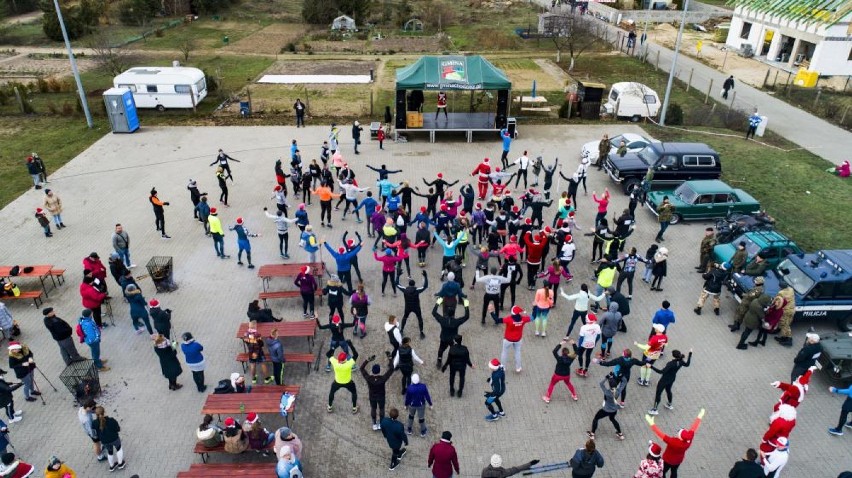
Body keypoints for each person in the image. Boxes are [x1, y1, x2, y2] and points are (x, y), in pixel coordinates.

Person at [646, 408, 705, 478]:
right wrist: (700, 417)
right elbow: (694, 428)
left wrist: (652, 424)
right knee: (674, 471)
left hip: (667, 460)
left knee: (663, 471)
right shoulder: (689, 439)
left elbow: (660, 434)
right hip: (678, 460)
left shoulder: (672, 442)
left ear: (680, 437)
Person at [648, 349, 692, 415]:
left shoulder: (671, 364)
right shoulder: (681, 361)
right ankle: (669, 404)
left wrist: (651, 367)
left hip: (664, 380)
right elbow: (687, 364)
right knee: (668, 391)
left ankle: (655, 409)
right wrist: (690, 353)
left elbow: (661, 371)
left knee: (658, 394)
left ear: (673, 356)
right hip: (672, 379)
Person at [360, 354, 395, 431]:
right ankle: (381, 423)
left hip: (372, 396)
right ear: (379, 371)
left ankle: (374, 424)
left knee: (373, 408)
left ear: (372, 371)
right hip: (381, 396)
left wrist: (368, 360)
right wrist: (390, 359)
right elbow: (392, 369)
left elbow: (361, 368)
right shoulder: (382, 378)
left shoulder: (369, 378)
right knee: (381, 409)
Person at [433, 299, 470, 369]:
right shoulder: (456, 322)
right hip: (453, 339)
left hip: (444, 338)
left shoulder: (442, 320)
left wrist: (437, 303)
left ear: (446, 313)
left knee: (441, 349)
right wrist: (466, 306)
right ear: (453, 314)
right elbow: (466, 316)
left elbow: (434, 313)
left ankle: (439, 360)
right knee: (454, 349)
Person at [587, 376, 626, 440]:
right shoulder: (618, 391)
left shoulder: (607, 392)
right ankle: (620, 434)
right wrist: (621, 377)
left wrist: (606, 378)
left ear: (610, 386)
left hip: (605, 410)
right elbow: (624, 382)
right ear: (616, 385)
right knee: (612, 419)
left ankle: (592, 434)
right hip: (614, 410)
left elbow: (601, 384)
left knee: (596, 419)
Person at [735, 281, 771, 350]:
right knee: (747, 332)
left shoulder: (755, 301)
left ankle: (741, 343)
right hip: (752, 322)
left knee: (745, 331)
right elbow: (762, 316)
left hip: (748, 317)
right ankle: (740, 345)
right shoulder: (759, 307)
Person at [327, 339, 359, 413]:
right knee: (354, 393)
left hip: (337, 382)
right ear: (345, 359)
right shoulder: (349, 364)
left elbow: (328, 354)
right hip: (348, 382)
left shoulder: (335, 363)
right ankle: (354, 408)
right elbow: (356, 355)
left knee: (331, 393)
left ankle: (329, 407)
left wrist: (334, 347)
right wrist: (350, 345)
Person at [543, 338, 578, 403]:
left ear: (562, 353)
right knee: (568, 383)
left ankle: (547, 397)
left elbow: (554, 351)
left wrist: (560, 344)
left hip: (557, 375)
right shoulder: (571, 358)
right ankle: (574, 395)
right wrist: (573, 344)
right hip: (566, 375)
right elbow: (577, 351)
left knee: (552, 384)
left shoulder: (559, 359)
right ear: (568, 353)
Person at [396, 271, 428, 338]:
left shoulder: (405, 290)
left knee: (405, 317)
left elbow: (397, 284)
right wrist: (425, 276)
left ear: (409, 284)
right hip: (416, 307)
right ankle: (421, 332)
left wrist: (398, 275)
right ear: (414, 284)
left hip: (408, 307)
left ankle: (401, 330)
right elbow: (425, 286)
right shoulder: (417, 290)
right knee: (419, 318)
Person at [94, 406, 126, 471]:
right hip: (114, 439)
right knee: (119, 449)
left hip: (104, 441)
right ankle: (120, 464)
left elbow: (95, 432)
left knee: (110, 452)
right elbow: (118, 429)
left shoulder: (94, 423)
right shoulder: (111, 420)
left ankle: (112, 466)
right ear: (104, 412)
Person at [501, 306, 531, 373]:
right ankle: (518, 368)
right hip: (518, 339)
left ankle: (503, 367)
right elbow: (533, 317)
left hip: (508, 339)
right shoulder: (523, 319)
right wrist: (535, 307)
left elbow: (497, 320)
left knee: (504, 352)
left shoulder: (508, 319)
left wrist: (491, 312)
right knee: (517, 352)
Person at [404, 373, 432, 437]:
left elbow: (407, 398)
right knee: (421, 418)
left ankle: (409, 429)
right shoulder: (423, 386)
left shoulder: (409, 388)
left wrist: (406, 405)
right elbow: (427, 396)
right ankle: (423, 431)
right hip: (421, 405)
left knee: (411, 416)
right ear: (418, 380)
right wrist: (430, 404)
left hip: (412, 405)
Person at [576, 312, 601, 377]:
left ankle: (580, 369)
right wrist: (594, 342)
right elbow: (598, 336)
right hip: (591, 344)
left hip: (584, 344)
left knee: (580, 355)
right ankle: (585, 370)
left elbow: (581, 338)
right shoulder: (597, 326)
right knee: (588, 356)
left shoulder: (583, 327)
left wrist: (579, 346)